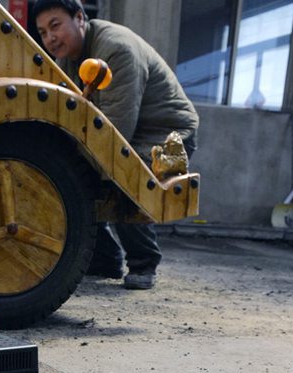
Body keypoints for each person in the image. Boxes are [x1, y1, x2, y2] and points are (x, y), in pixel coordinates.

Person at [32, 0, 199, 290]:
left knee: (125, 173)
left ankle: (144, 262)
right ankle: (105, 258)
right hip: (130, 129)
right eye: (43, 32)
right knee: (79, 171)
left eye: (56, 25)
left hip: (167, 134)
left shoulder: (115, 49)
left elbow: (117, 131)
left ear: (80, 18)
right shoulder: (69, 58)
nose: (50, 38)